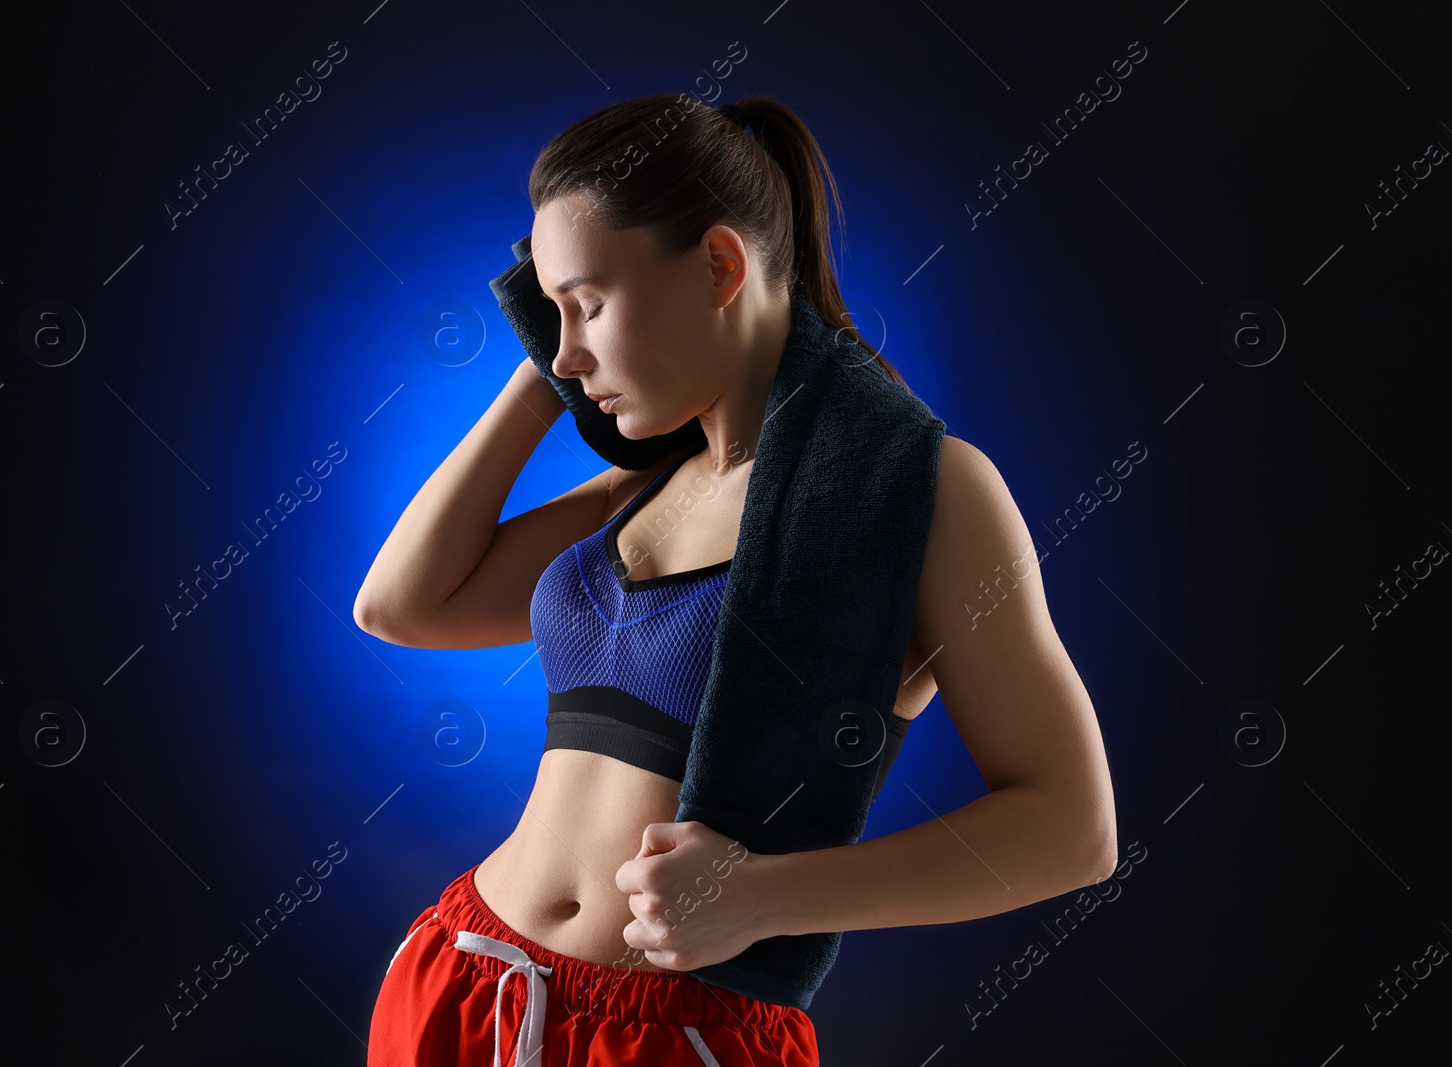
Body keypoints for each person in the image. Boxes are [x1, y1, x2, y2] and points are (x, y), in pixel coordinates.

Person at [356, 93, 1116, 1065]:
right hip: (465, 978)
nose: (568, 349)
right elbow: (401, 606)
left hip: (679, 1036)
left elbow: (1071, 825)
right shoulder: (643, 483)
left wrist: (768, 892)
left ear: (719, 264)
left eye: (588, 302)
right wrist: (551, 359)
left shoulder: (918, 490)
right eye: (550, 313)